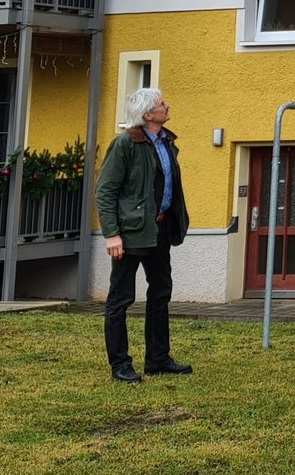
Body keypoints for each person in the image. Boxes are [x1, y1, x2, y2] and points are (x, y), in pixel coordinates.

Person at [96, 86, 191, 383]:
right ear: (148, 114)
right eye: (162, 104)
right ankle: (120, 365)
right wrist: (112, 234)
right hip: (131, 233)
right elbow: (106, 191)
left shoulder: (166, 142)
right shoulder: (125, 144)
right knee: (120, 298)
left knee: (161, 291)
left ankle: (158, 359)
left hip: (160, 229)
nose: (167, 106)